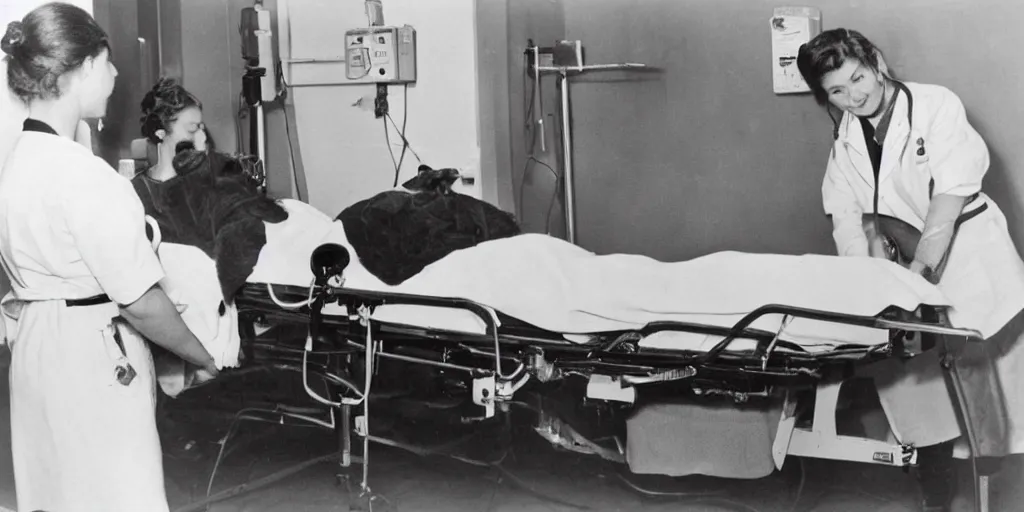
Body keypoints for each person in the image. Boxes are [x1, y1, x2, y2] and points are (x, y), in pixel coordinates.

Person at [0, 4, 220, 510]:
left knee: (54, 493)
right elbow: (141, 303)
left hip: (36, 353)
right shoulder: (84, 176)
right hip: (92, 362)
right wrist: (200, 358)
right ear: (82, 68)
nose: (117, 74)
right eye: (108, 61)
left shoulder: (18, 163)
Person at [797, 28, 1024, 511]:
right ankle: (937, 497)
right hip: (907, 269)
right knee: (919, 392)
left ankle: (999, 493)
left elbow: (948, 198)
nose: (853, 96)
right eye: (836, 90)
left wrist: (919, 270)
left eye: (858, 78)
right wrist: (860, 284)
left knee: (999, 397)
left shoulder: (935, 105)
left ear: (876, 62)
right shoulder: (845, 140)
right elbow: (845, 217)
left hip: (967, 259)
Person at [138, 76, 211, 182]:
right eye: (191, 128)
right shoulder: (135, 190)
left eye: (201, 128)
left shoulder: (209, 184)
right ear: (161, 133)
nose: (203, 137)